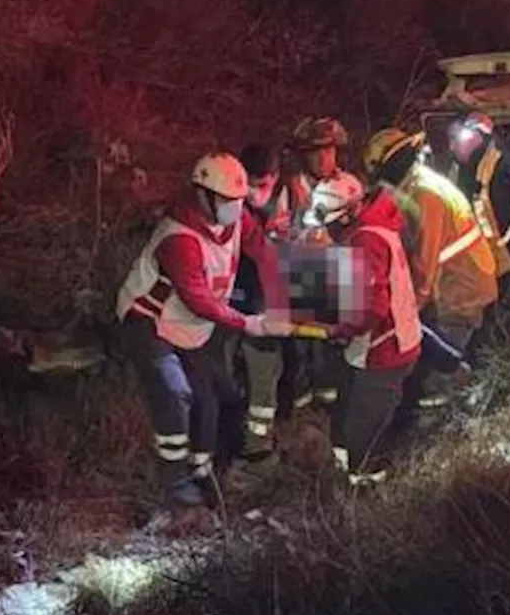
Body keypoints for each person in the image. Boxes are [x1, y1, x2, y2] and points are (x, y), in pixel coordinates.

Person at [116, 152, 294, 509]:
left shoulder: (235, 215)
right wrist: (251, 324)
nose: (235, 208)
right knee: (175, 393)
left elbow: (262, 252)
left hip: (192, 329)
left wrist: (285, 296)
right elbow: (199, 300)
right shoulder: (178, 237)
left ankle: (204, 471)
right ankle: (175, 482)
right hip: (150, 323)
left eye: (239, 202)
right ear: (203, 195)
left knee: (213, 398)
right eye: (228, 201)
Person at [362, 126, 498, 413]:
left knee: (436, 378)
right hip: (455, 287)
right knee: (437, 364)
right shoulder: (416, 185)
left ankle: (437, 435)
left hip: (459, 292)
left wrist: (405, 309)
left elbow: (424, 262)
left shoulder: (425, 195)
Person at [303, 174, 423, 486]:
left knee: (363, 434)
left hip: (383, 349)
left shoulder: (365, 240)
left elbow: (371, 308)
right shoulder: (375, 225)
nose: (328, 231)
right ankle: (346, 475)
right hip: (389, 342)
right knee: (352, 419)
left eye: (330, 224)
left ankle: (366, 491)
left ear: (346, 215)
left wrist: (338, 329)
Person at [226, 144, 292, 479]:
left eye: (261, 184)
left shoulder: (289, 205)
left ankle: (257, 448)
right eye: (249, 183)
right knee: (224, 376)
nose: (254, 192)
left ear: (275, 179)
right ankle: (226, 442)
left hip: (265, 307)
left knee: (262, 380)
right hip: (229, 305)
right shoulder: (229, 203)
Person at [286, 116, 361, 409]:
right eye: (315, 151)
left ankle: (330, 402)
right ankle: (302, 404)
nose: (322, 157)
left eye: (328, 150)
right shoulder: (292, 188)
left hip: (338, 273)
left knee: (333, 344)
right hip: (300, 273)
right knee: (300, 344)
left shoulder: (350, 186)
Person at [447, 111, 510, 330]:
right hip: (488, 249)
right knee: (494, 307)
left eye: (456, 139)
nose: (452, 147)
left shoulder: (500, 159)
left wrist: (494, 130)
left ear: (476, 136)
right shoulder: (460, 169)